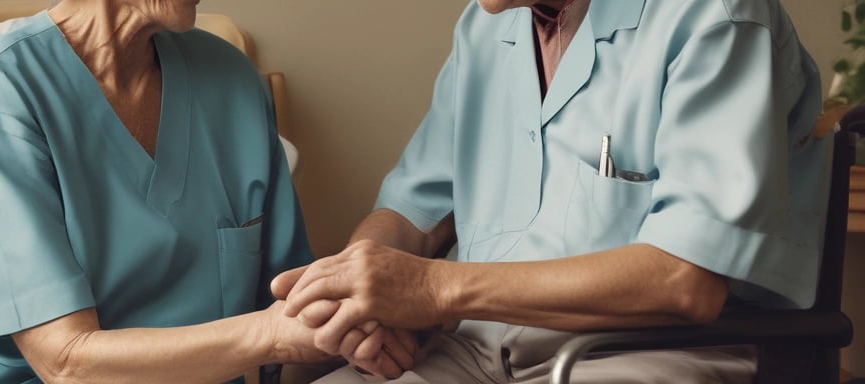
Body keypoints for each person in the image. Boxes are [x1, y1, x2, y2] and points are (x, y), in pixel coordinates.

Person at [272, 0, 828, 382]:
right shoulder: (485, 27)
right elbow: (410, 211)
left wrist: (434, 290)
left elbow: (686, 282)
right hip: (471, 354)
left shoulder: (713, 14)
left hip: (640, 356)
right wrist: (363, 288)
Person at [0, 0, 416, 382]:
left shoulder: (232, 82)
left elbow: (294, 312)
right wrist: (273, 335)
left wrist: (352, 331)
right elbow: (65, 361)